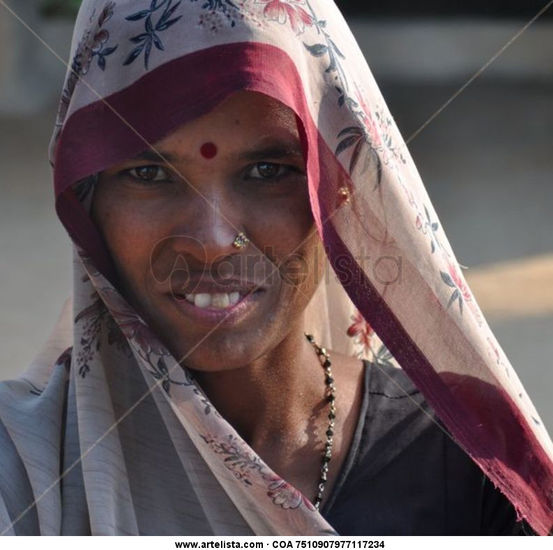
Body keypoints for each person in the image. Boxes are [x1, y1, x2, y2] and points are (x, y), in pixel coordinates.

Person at [0, 0, 552, 536]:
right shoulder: (24, 469)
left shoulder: (469, 457)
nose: (214, 242)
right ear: (85, 200)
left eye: (268, 170)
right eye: (148, 173)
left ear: (338, 191)